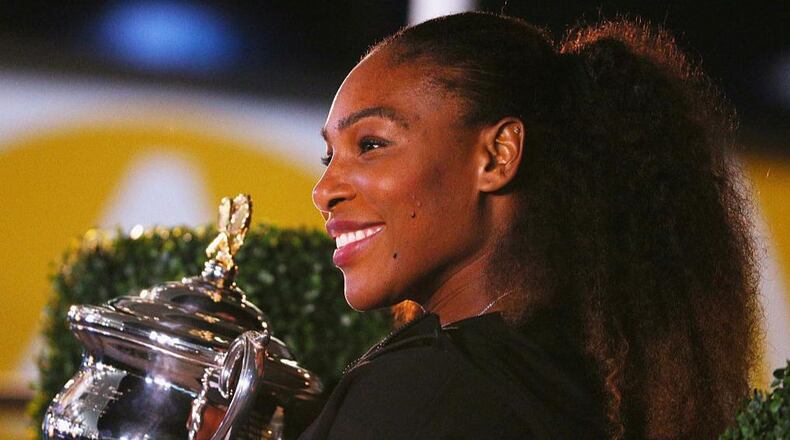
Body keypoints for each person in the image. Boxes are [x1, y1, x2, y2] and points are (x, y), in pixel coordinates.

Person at [303, 11, 761, 440]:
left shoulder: (422, 390)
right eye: (330, 156)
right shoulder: (596, 387)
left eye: (371, 144)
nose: (324, 191)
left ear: (497, 155)